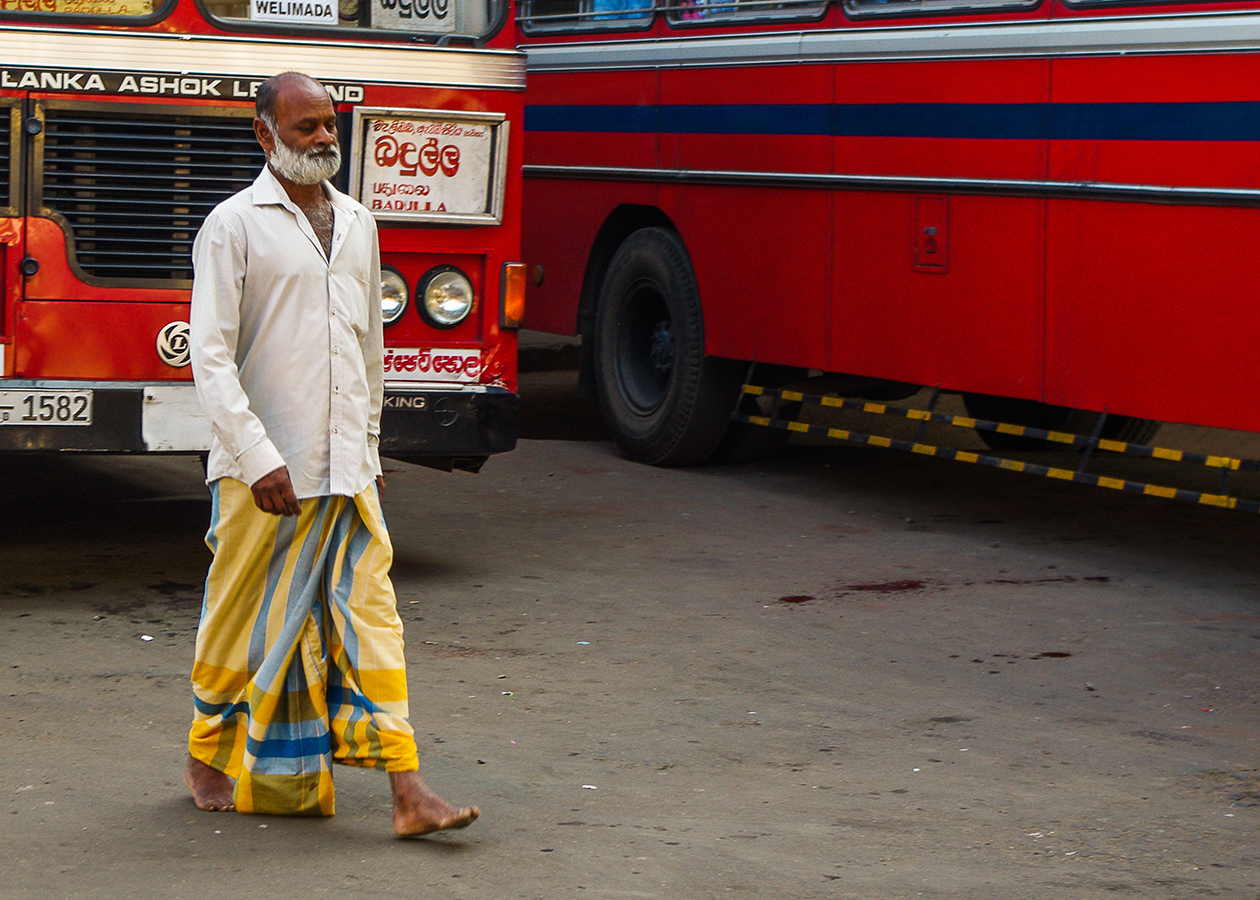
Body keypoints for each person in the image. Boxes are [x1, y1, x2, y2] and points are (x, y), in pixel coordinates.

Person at [183, 71, 479, 837]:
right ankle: (207, 753)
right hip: (262, 475)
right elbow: (209, 358)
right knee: (242, 622)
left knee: (372, 619)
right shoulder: (232, 225)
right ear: (264, 134)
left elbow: (369, 352)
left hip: (348, 471)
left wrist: (372, 450)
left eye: (328, 123)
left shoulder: (357, 222)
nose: (323, 138)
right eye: (306, 126)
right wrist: (257, 455)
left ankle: (408, 790)